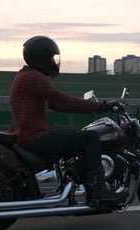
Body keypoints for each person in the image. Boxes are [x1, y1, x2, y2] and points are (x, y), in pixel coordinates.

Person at [9, 35, 123, 207]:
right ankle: (99, 192)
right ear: (42, 57)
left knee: (74, 135)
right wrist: (101, 107)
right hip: (34, 137)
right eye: (51, 57)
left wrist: (93, 107)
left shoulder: (24, 76)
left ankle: (77, 183)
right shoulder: (33, 78)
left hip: (28, 134)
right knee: (90, 138)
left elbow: (55, 103)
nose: (54, 62)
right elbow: (62, 101)